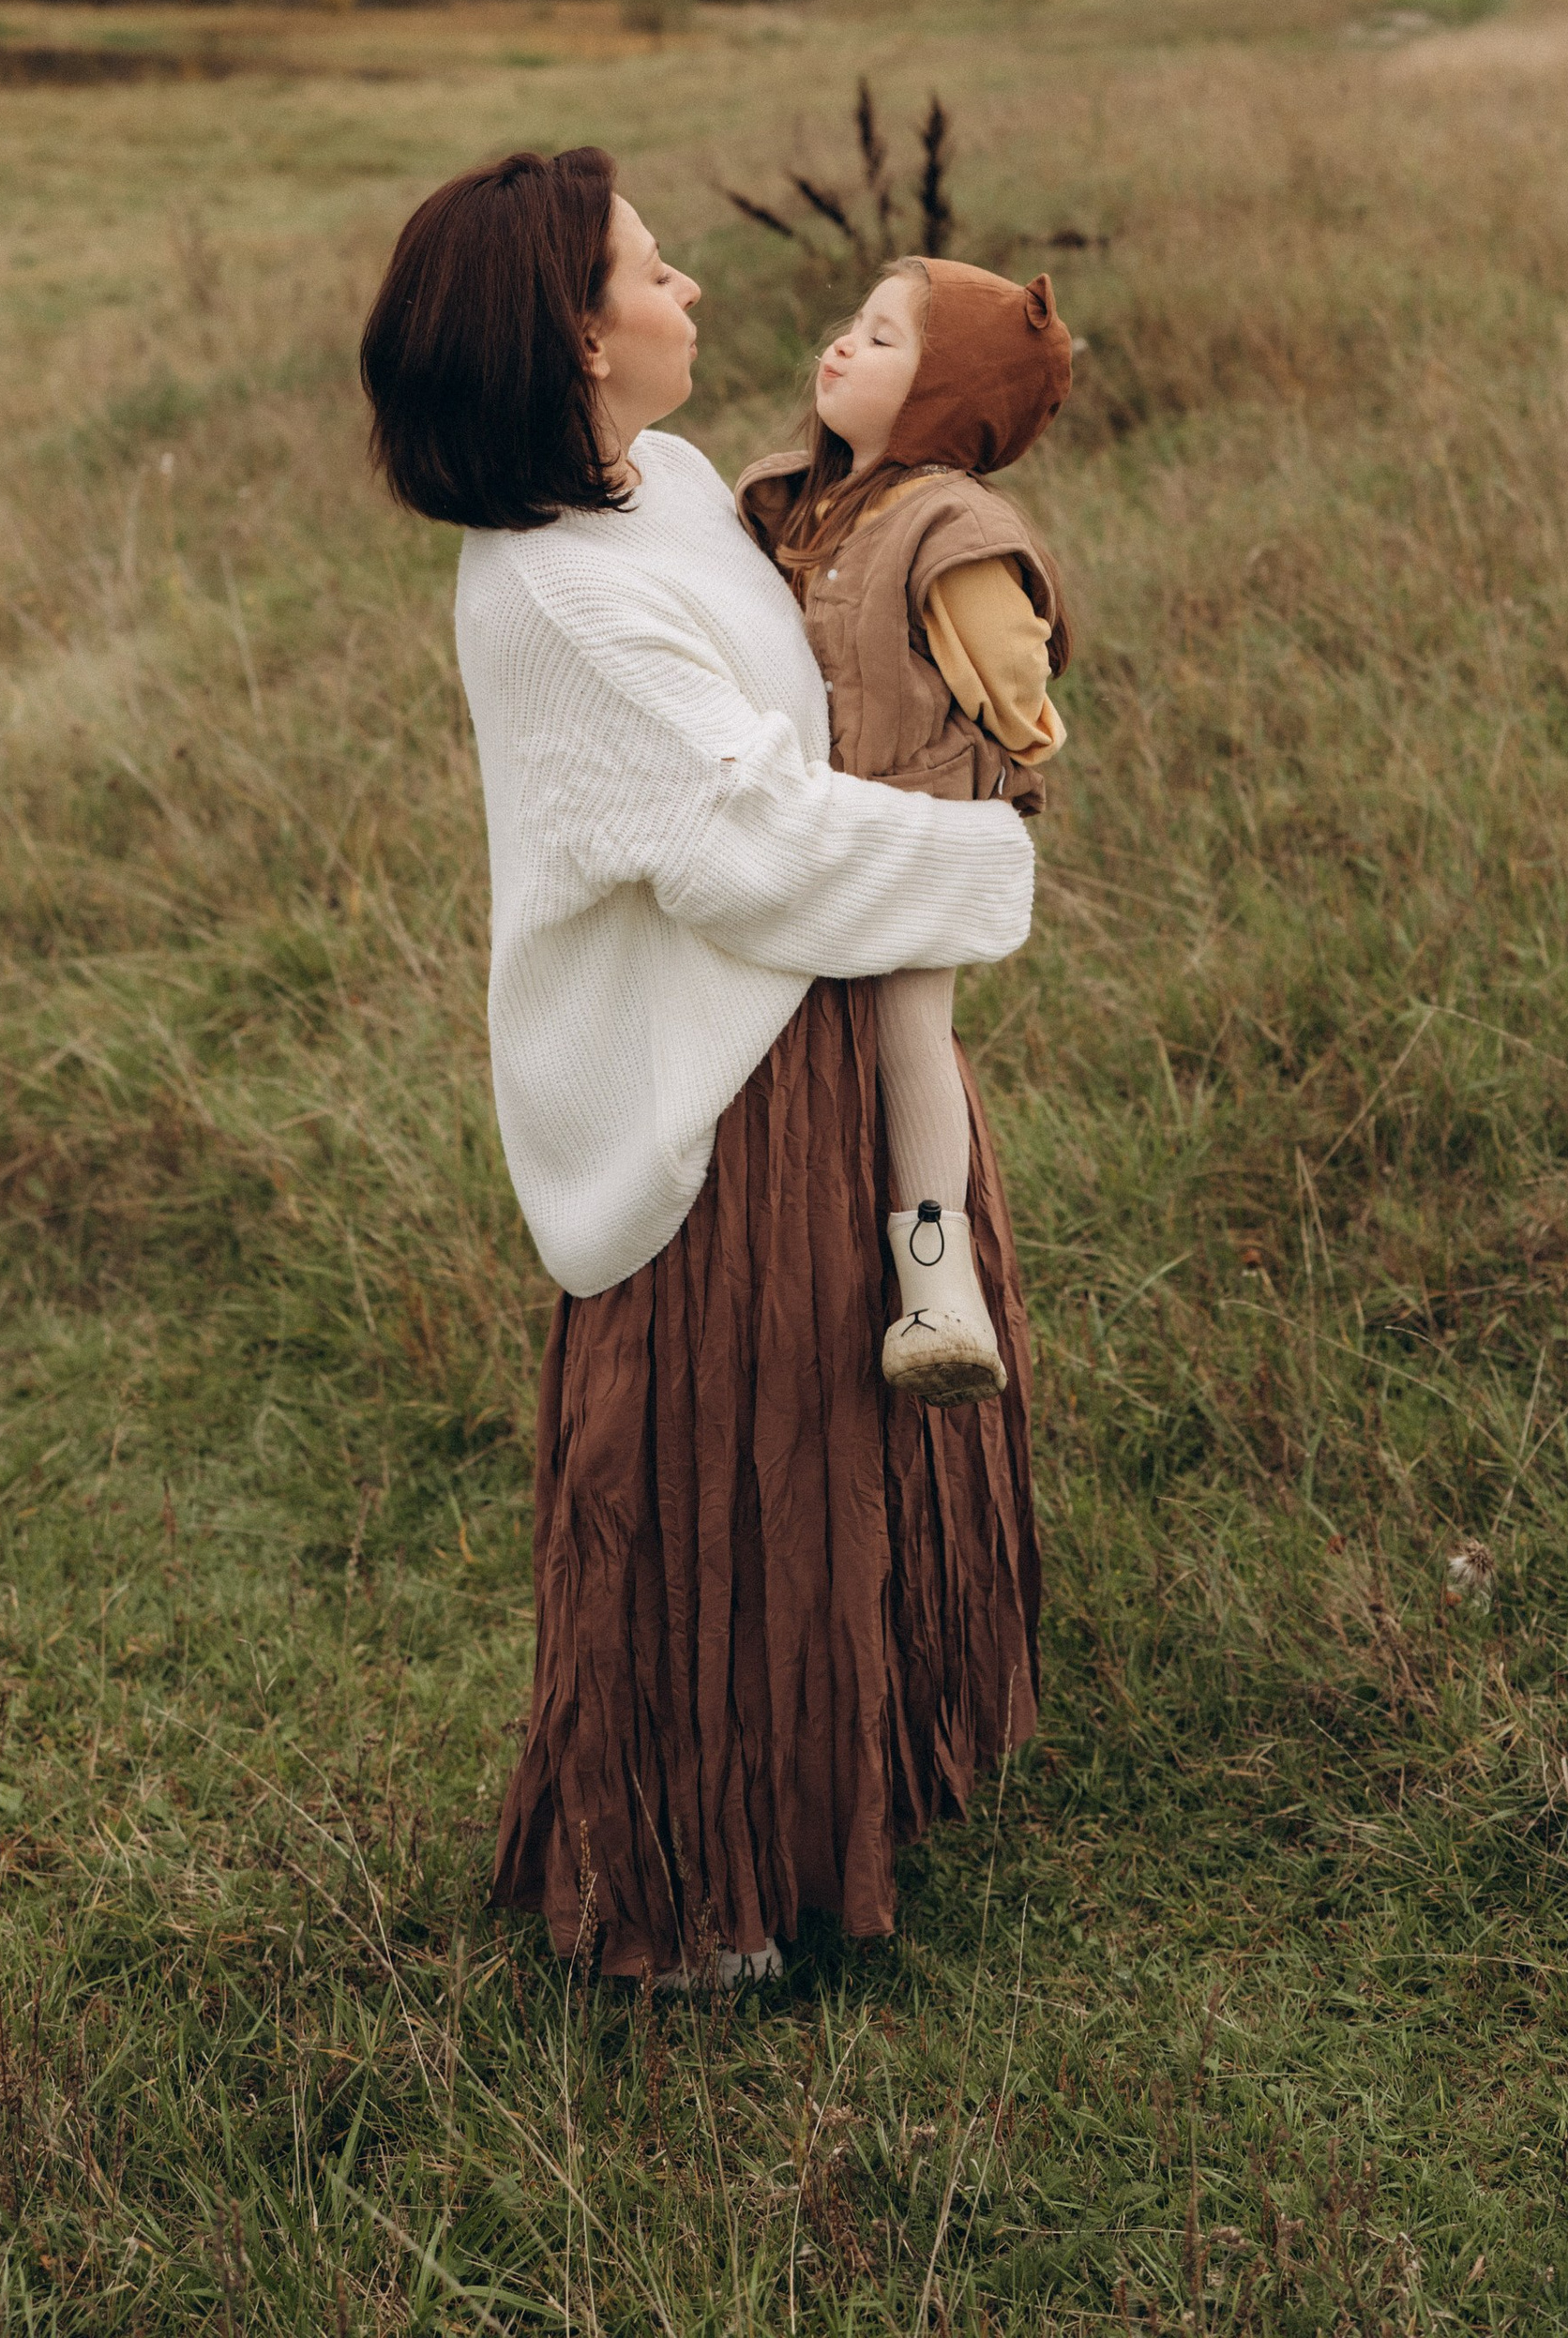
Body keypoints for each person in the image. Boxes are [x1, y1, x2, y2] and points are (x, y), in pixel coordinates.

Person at [357, 146, 1042, 1990]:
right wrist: (986, 869)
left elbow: (829, 643)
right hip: (712, 1091)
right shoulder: (548, 598)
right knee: (707, 1482)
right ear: (575, 339)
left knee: (846, 1433)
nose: (689, 296)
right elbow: (751, 844)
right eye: (653, 275)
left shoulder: (659, 485)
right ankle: (683, 1889)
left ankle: (856, 1787)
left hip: (813, 1024)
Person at [735, 259, 1072, 1407]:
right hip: (811, 820)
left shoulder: (947, 520)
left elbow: (1014, 666)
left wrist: (1018, 723)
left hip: (913, 825)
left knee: (909, 1032)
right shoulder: (808, 492)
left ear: (940, 396)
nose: (841, 345)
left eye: (884, 340)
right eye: (852, 324)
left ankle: (937, 1291)